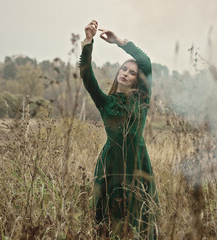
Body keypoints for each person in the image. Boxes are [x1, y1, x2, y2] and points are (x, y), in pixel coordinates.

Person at [79, 20, 158, 239]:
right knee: (108, 221)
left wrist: (120, 42)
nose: (125, 73)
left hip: (137, 163)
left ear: (136, 80)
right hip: (110, 164)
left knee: (140, 220)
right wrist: (88, 41)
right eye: (123, 69)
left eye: (131, 72)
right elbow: (87, 76)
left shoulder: (141, 100)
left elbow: (146, 62)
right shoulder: (105, 102)